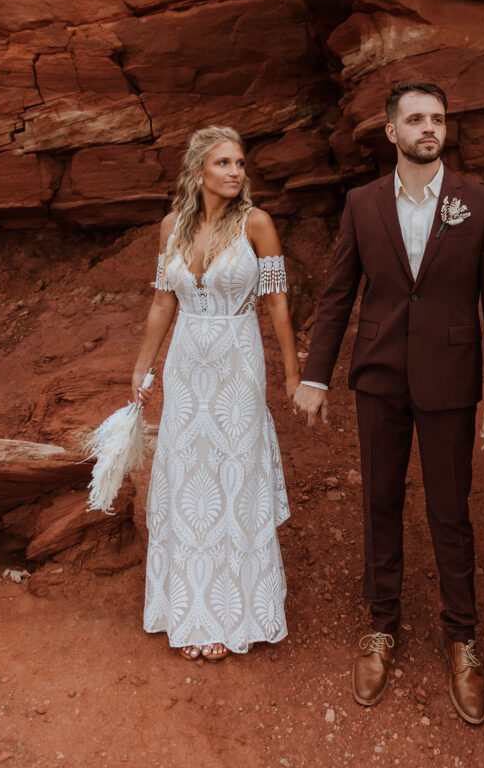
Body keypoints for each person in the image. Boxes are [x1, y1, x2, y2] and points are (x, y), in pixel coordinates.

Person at [293, 82, 484, 724]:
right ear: (390, 132)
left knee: (451, 510)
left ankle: (462, 638)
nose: (429, 128)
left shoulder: (479, 203)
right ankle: (381, 627)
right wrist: (315, 376)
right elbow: (338, 295)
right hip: (379, 377)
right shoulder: (361, 204)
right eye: (415, 119)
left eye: (438, 119)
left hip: (451, 380)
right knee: (379, 503)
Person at [132, 125, 300, 662]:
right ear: (198, 170)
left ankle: (236, 612)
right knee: (188, 477)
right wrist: (142, 367)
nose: (236, 172)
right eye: (224, 163)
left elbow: (276, 304)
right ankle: (189, 608)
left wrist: (294, 376)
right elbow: (163, 303)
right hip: (186, 364)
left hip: (237, 361)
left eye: (240, 163)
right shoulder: (171, 228)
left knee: (234, 475)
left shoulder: (258, 224)